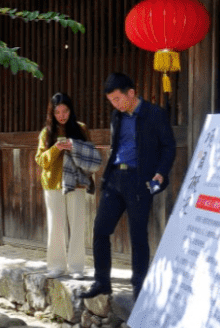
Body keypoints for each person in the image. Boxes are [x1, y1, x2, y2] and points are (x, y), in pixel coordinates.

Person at [81, 73, 176, 300]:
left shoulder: (154, 114)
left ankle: (139, 287)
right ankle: (102, 281)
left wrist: (160, 173)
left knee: (138, 235)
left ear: (131, 93)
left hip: (139, 180)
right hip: (115, 178)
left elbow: (169, 147)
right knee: (100, 229)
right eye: (111, 100)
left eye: (117, 99)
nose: (114, 104)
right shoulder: (117, 115)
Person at [34, 92, 98, 280]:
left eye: (65, 111)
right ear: (51, 113)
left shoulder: (81, 129)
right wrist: (56, 148)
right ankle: (56, 266)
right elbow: (41, 160)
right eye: (57, 112)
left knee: (78, 225)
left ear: (71, 111)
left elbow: (90, 155)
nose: (61, 115)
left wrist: (74, 147)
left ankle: (77, 267)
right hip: (53, 184)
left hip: (76, 182)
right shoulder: (46, 133)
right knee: (56, 225)